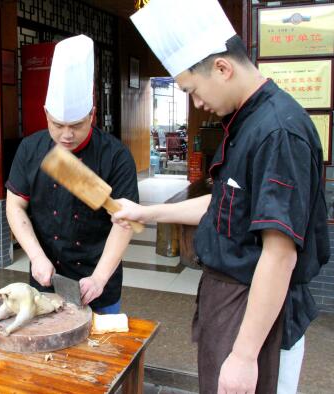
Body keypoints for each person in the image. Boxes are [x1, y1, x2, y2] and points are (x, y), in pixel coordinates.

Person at [114, 0, 330, 393]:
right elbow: (224, 206)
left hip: (258, 319)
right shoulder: (245, 121)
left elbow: (279, 255)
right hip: (229, 306)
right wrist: (147, 211)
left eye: (193, 91)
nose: (197, 104)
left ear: (222, 68)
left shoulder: (278, 131)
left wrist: (245, 356)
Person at [6, 34, 138, 313]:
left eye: (77, 125)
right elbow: (15, 204)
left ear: (92, 114)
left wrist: (101, 277)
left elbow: (123, 222)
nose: (67, 135)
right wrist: (35, 256)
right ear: (45, 114)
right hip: (44, 279)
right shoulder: (30, 149)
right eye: (57, 125)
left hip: (98, 280)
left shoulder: (115, 155)